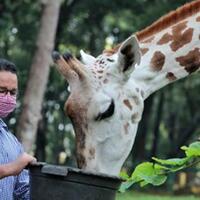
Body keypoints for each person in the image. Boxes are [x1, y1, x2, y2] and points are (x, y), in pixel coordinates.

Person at [0, 58, 36, 199]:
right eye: (2, 91)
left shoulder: (13, 143)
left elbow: (23, 191)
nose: (8, 97)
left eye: (13, 93)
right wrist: (10, 168)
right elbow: (14, 168)